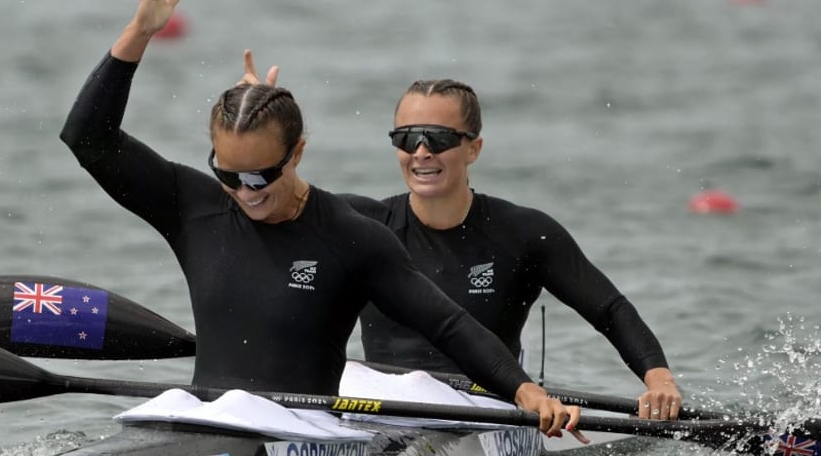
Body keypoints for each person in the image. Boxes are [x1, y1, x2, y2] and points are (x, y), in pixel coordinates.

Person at [59, 0, 584, 438]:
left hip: (302, 438)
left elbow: (446, 324)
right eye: (229, 174)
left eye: (262, 175)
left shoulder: (349, 237)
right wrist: (138, 33)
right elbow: (87, 139)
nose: (246, 192)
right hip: (206, 421)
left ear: (297, 153)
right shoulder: (192, 205)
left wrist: (526, 392)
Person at [239, 54, 683, 421]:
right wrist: (261, 135)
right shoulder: (361, 224)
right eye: (407, 137)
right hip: (377, 402)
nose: (422, 151)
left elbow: (609, 309)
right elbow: (276, 202)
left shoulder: (524, 233)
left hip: (484, 408)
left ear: (474, 148)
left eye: (438, 137)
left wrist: (658, 380)